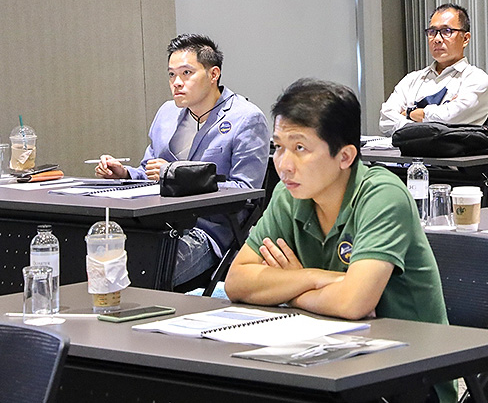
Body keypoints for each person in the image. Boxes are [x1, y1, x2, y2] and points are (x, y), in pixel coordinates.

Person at [225, 78, 454, 403]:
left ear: (345, 156)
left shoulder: (382, 196)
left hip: (407, 378)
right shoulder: (289, 195)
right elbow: (237, 281)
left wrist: (287, 291)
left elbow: (353, 303)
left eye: (300, 148)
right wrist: (315, 278)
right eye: (278, 147)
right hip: (323, 361)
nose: (283, 165)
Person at [96, 34, 270, 287]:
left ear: (213, 74)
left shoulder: (246, 118)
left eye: (187, 73)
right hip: (156, 221)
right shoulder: (167, 113)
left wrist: (178, 175)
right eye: (171, 75)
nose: (177, 82)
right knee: (99, 260)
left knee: (144, 274)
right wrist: (125, 173)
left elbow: (247, 190)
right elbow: (150, 171)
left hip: (206, 229)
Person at [379, 3, 488, 135]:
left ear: (465, 39)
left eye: (446, 31)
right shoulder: (412, 79)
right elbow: (385, 120)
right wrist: (421, 122)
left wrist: (409, 113)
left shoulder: (475, 78)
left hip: (454, 148)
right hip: (409, 148)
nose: (437, 39)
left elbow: (451, 118)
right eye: (432, 32)